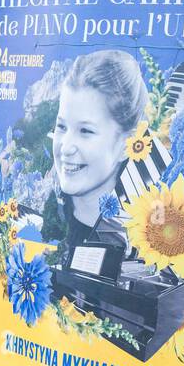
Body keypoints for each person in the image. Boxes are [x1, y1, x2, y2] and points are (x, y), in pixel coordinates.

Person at [49, 49, 149, 250]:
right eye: (61, 127)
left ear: (126, 145)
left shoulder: (141, 243)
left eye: (85, 130)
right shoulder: (46, 213)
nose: (66, 148)